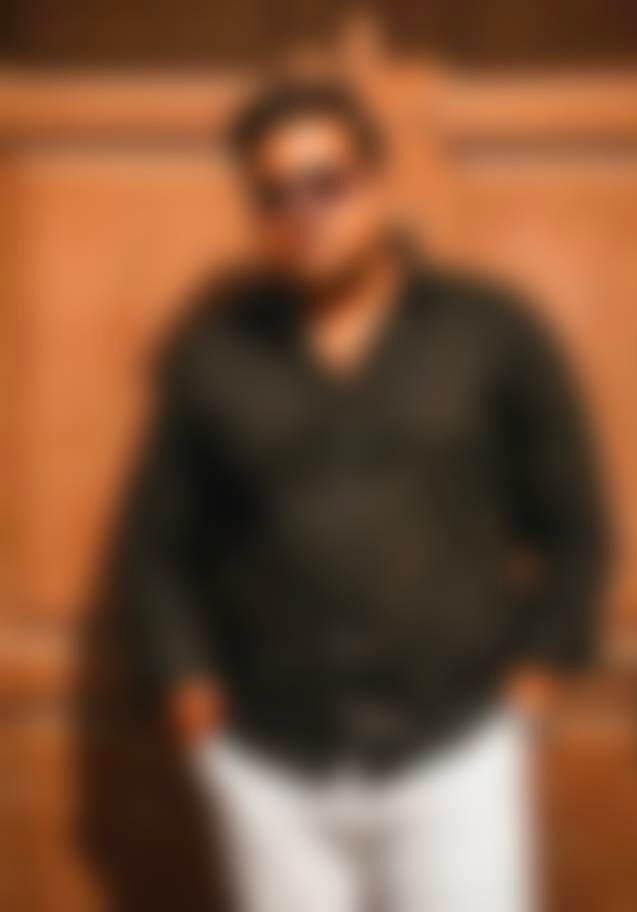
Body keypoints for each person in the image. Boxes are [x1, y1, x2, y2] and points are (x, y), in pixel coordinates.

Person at [121, 79, 609, 911]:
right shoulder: (217, 358)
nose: (303, 212)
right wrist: (189, 699)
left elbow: (575, 524)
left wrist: (534, 682)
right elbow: (156, 548)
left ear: (376, 183)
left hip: (453, 756)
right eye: (274, 194)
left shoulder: (486, 332)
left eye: (325, 183)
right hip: (272, 769)